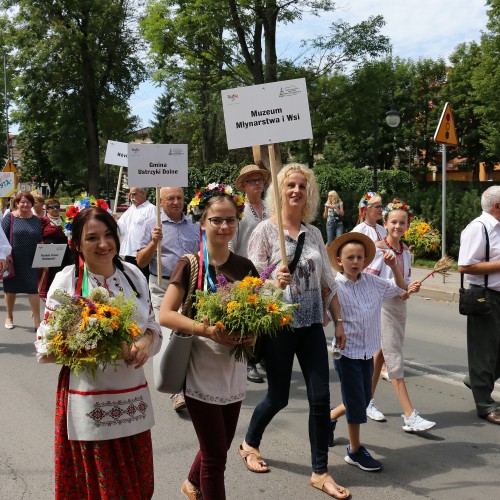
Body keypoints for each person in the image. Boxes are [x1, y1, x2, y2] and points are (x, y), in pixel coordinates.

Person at [35, 206, 162, 498]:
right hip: (89, 398)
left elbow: (152, 325)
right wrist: (93, 343)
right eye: (92, 238)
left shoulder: (133, 275)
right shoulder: (67, 281)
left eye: (108, 235)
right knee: (100, 487)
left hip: (132, 397)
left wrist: (143, 344)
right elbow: (47, 344)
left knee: (137, 485)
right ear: (76, 243)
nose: (103, 244)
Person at [241, 164, 350, 500]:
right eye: (290, 185)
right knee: (278, 397)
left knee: (321, 398)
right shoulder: (264, 232)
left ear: (309, 193)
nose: (296, 191)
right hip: (279, 326)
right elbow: (250, 284)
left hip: (311, 325)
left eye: (302, 186)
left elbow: (326, 282)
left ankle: (320, 471)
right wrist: (273, 281)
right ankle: (250, 443)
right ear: (280, 190)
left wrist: (339, 320)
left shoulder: (314, 233)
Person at [159, 183, 256, 500]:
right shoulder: (190, 264)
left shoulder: (244, 267)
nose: (224, 226)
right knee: (216, 458)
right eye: (216, 219)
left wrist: (253, 331)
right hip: (200, 371)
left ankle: (190, 483)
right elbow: (165, 314)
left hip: (233, 371)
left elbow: (259, 312)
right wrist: (207, 330)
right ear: (202, 222)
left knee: (221, 443)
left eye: (230, 219)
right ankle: (200, 487)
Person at [327, 232, 406, 472]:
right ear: (339, 260)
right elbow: (324, 315)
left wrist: (394, 266)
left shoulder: (373, 282)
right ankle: (354, 450)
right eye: (349, 257)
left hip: (368, 351)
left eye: (359, 257)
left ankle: (328, 418)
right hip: (347, 352)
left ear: (365, 261)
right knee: (357, 403)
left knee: (362, 399)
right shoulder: (334, 286)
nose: (355, 261)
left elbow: (400, 289)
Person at [366, 200, 435, 432]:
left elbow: (403, 290)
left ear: (408, 225)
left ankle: (365, 400)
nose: (398, 226)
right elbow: (369, 283)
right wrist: (399, 286)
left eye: (402, 222)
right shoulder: (378, 249)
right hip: (382, 307)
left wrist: (410, 289)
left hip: (398, 308)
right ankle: (409, 415)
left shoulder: (405, 252)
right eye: (393, 222)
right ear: (385, 223)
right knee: (393, 357)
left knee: (380, 354)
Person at [137, 186, 198, 412]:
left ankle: (191, 384)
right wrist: (154, 242)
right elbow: (141, 262)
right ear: (160, 201)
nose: (176, 202)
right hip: (162, 285)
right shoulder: (151, 225)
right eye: (170, 198)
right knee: (169, 334)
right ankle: (175, 390)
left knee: (188, 334)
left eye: (179, 197)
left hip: (189, 286)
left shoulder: (193, 225)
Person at [458, 185, 500, 424]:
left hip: (498, 294)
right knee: (484, 353)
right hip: (485, 296)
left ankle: (476, 380)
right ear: (497, 206)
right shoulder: (479, 228)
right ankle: (485, 404)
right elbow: (464, 266)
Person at [230, 163, 271, 384]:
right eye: (252, 181)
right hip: (244, 272)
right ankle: (249, 362)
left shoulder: (270, 208)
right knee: (249, 319)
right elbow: (231, 244)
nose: (258, 185)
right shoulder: (239, 211)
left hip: (267, 272)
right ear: (243, 186)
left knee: (266, 317)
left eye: (260, 181)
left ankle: (261, 356)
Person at [2, 191, 42, 330]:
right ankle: (9, 316)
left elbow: (39, 239)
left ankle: (37, 322)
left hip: (31, 259)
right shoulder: (10, 218)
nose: (25, 204)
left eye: (28, 202)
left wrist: (44, 256)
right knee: (11, 290)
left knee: (32, 290)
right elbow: (2, 238)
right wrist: (4, 256)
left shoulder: (36, 220)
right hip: (13, 259)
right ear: (17, 204)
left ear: (32, 204)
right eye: (22, 202)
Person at [115, 187, 156, 281]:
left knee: (143, 281)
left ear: (143, 194)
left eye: (134, 194)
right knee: (130, 281)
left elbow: (154, 231)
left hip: (142, 254)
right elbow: (121, 228)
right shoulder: (131, 209)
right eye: (130, 194)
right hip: (129, 252)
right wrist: (114, 222)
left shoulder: (151, 209)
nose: (131, 197)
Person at [38, 198, 73, 299]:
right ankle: (49, 294)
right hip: (50, 250)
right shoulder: (43, 220)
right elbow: (39, 236)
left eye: (57, 207)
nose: (55, 209)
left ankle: (62, 292)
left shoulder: (65, 220)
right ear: (47, 209)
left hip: (64, 250)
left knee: (63, 272)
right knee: (51, 273)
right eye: (52, 207)